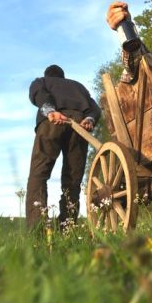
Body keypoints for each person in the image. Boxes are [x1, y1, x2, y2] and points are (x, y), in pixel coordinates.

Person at [25, 64, 102, 230]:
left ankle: (36, 228)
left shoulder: (41, 81)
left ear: (48, 75)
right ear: (63, 76)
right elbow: (94, 108)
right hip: (79, 123)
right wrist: (89, 119)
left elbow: (39, 93)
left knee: (39, 174)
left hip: (53, 120)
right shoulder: (78, 86)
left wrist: (50, 110)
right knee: (73, 180)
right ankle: (68, 229)